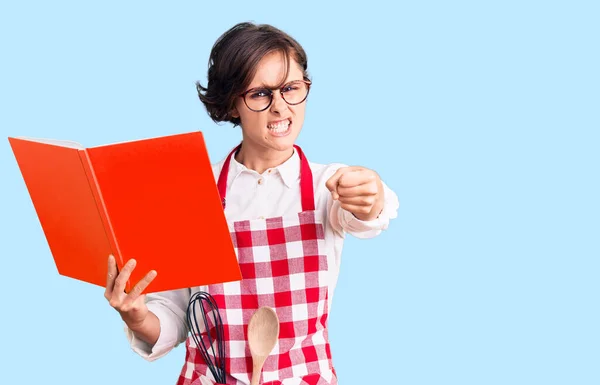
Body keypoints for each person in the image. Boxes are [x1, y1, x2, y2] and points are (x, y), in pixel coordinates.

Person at [104, 22, 399, 385]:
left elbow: (369, 214)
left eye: (291, 88)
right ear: (231, 104)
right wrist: (135, 315)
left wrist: (371, 194)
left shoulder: (329, 185)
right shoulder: (194, 190)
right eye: (260, 93)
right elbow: (177, 316)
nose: (280, 107)